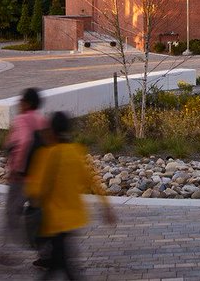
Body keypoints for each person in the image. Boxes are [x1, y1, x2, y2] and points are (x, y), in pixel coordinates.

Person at [25, 110, 115, 279]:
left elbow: (35, 190)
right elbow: (92, 182)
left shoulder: (47, 154)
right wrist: (106, 206)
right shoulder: (76, 152)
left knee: (61, 266)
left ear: (51, 131)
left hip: (54, 220)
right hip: (73, 218)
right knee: (61, 265)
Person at [0, 87, 49, 267]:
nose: (19, 104)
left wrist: (18, 169)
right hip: (39, 179)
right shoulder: (42, 121)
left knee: (12, 214)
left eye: (21, 101)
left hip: (21, 179)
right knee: (39, 216)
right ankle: (46, 255)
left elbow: (24, 141)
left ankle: (5, 251)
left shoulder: (21, 120)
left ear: (26, 103)